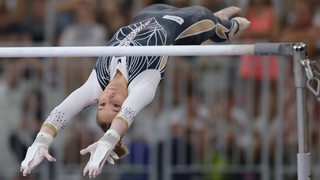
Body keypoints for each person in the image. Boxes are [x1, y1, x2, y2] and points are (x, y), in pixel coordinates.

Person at [20, 4, 250, 179]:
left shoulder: (97, 83)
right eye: (115, 106)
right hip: (187, 22)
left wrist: (42, 141)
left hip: (146, 14)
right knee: (222, 30)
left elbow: (63, 110)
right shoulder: (144, 83)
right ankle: (227, 24)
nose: (108, 98)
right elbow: (127, 115)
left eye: (102, 105)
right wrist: (109, 141)